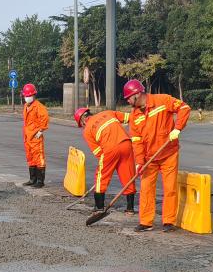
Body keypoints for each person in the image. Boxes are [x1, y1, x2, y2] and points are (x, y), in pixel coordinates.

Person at [124, 79, 190, 232]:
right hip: (149, 159)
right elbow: (136, 141)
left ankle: (169, 221)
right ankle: (146, 222)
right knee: (146, 189)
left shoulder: (162, 100)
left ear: (137, 94)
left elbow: (184, 108)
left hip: (169, 153)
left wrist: (178, 128)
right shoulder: (134, 116)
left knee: (170, 188)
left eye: (128, 98)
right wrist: (139, 162)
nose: (127, 101)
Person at [74, 107, 136, 214]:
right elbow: (130, 117)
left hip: (110, 149)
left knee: (101, 176)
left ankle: (99, 207)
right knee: (128, 174)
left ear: (83, 121)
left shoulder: (87, 130)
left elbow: (98, 152)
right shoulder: (108, 113)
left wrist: (107, 164)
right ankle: (130, 208)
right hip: (126, 143)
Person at [21, 83, 49, 188]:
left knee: (39, 157)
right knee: (30, 157)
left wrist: (41, 130)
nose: (27, 97)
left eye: (29, 95)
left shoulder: (39, 107)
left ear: (34, 95)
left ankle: (40, 181)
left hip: (36, 136)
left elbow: (44, 118)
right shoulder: (26, 106)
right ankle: (32, 179)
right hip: (28, 136)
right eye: (26, 96)